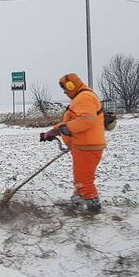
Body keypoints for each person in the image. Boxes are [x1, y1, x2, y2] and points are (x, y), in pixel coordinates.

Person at [39, 73, 106, 214]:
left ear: (71, 85)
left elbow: (87, 120)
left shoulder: (84, 98)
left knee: (84, 180)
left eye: (65, 89)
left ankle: (93, 210)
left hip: (88, 146)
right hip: (82, 146)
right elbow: (72, 120)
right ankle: (77, 203)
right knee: (80, 178)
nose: (65, 92)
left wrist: (67, 129)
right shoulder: (81, 98)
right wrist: (53, 132)